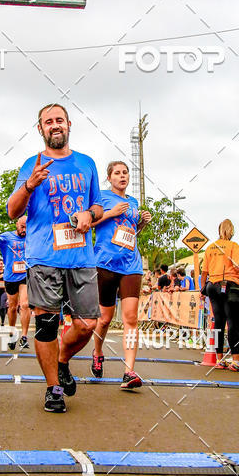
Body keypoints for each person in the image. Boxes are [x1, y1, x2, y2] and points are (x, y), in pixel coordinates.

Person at [7, 103, 103, 413]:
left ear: (69, 124)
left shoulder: (86, 163)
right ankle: (54, 388)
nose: (54, 125)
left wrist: (89, 213)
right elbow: (12, 211)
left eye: (59, 119)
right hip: (44, 257)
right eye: (48, 122)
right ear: (40, 129)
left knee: (88, 323)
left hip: (81, 257)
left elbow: (98, 206)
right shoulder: (31, 165)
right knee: (46, 324)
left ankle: (62, 359)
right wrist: (30, 184)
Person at [91, 160, 151, 388]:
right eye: (117, 173)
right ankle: (97, 353)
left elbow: (131, 232)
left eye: (125, 172)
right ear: (110, 178)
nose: (122, 176)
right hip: (105, 262)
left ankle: (129, 371)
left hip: (131, 264)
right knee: (105, 319)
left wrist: (142, 224)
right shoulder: (102, 197)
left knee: (131, 319)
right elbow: (92, 222)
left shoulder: (133, 202)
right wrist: (111, 213)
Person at [200, 219, 239, 371]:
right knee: (233, 323)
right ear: (231, 231)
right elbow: (238, 266)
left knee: (218, 321)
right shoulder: (233, 246)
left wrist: (203, 289)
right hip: (229, 284)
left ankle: (219, 359)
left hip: (212, 285)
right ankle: (236, 360)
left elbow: (204, 272)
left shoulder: (210, 247)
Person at [0, 216, 30, 349]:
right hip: (10, 277)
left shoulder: (32, 236)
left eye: (26, 226)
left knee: (25, 304)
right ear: (16, 225)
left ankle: (24, 337)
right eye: (22, 227)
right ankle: (12, 332)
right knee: (12, 307)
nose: (24, 230)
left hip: (26, 275)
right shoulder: (7, 237)